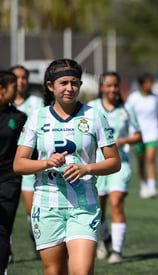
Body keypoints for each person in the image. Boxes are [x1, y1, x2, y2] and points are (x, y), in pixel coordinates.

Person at [13, 58, 121, 275]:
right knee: (53, 271)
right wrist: (46, 162)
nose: (70, 88)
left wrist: (86, 169)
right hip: (46, 206)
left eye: (75, 83)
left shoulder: (94, 115)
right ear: (50, 86)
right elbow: (19, 164)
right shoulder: (37, 117)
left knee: (81, 270)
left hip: (84, 206)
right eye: (63, 83)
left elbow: (114, 162)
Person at [88, 71, 141, 264]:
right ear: (102, 87)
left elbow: (138, 135)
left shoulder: (127, 109)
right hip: (97, 164)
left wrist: (123, 140)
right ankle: (106, 239)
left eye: (115, 85)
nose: (112, 89)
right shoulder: (91, 108)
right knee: (99, 208)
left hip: (121, 164)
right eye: (108, 85)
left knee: (117, 203)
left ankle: (117, 251)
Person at [10, 64, 44, 260]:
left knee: (31, 210)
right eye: (16, 78)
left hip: (30, 166)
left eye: (24, 77)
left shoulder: (37, 103)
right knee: (6, 209)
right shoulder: (4, 104)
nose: (20, 81)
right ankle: (7, 250)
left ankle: (38, 240)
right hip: (7, 166)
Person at [0, 70, 27, 275]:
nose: (17, 90)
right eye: (13, 86)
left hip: (8, 180)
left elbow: (28, 151)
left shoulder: (19, 118)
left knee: (2, 229)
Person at [126, 72, 158, 199]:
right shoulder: (133, 98)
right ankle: (143, 185)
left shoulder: (156, 98)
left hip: (152, 132)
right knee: (141, 161)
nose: (150, 85)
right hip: (137, 133)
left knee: (151, 158)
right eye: (148, 82)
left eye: (151, 82)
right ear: (141, 84)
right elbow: (128, 115)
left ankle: (152, 186)